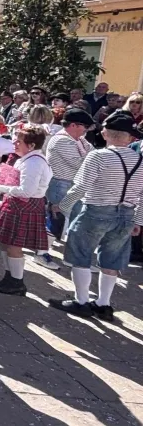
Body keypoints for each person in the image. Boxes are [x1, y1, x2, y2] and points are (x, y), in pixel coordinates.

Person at [50, 111, 143, 321]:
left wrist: (62, 206)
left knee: (80, 254)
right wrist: (139, 220)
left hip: (96, 210)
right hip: (126, 214)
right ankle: (103, 304)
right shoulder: (140, 160)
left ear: (105, 133)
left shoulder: (98, 156)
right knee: (112, 260)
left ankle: (82, 301)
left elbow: (81, 186)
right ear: (130, 138)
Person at [0, 124, 53, 297]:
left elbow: (27, 191)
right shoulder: (27, 158)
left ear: (31, 145)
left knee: (14, 246)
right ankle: (9, 277)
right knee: (5, 243)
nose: (14, 143)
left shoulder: (34, 162)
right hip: (17, 204)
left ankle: (17, 282)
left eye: (19, 141)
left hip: (24, 206)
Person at [40, 108, 94, 270]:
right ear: (73, 125)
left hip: (73, 185)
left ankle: (72, 258)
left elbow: (93, 156)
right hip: (60, 184)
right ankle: (41, 254)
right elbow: (83, 164)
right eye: (85, 126)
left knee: (76, 222)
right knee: (56, 220)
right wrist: (92, 160)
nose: (86, 130)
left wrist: (92, 159)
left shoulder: (80, 140)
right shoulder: (61, 140)